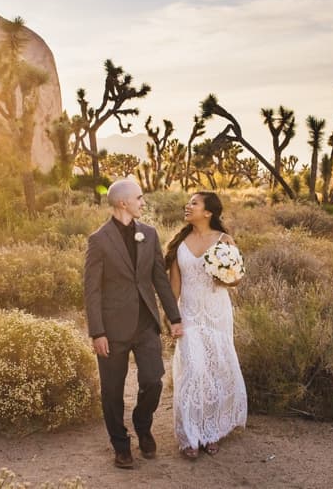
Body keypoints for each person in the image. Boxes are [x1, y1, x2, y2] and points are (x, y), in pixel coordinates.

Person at [84, 177, 183, 469]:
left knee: (153, 380)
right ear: (123, 202)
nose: (143, 202)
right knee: (112, 391)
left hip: (145, 324)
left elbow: (159, 280)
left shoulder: (149, 234)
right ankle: (121, 445)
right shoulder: (99, 240)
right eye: (139, 198)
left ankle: (142, 423)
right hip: (112, 329)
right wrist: (97, 332)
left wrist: (173, 317)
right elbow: (92, 290)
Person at [165, 191, 247, 459]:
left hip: (216, 313)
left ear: (208, 212)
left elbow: (235, 280)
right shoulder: (180, 243)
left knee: (216, 369)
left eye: (194, 203)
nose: (188, 206)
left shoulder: (224, 241)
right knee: (192, 370)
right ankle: (189, 435)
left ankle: (212, 431)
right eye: (188, 202)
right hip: (189, 313)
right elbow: (174, 286)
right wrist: (171, 317)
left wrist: (225, 275)